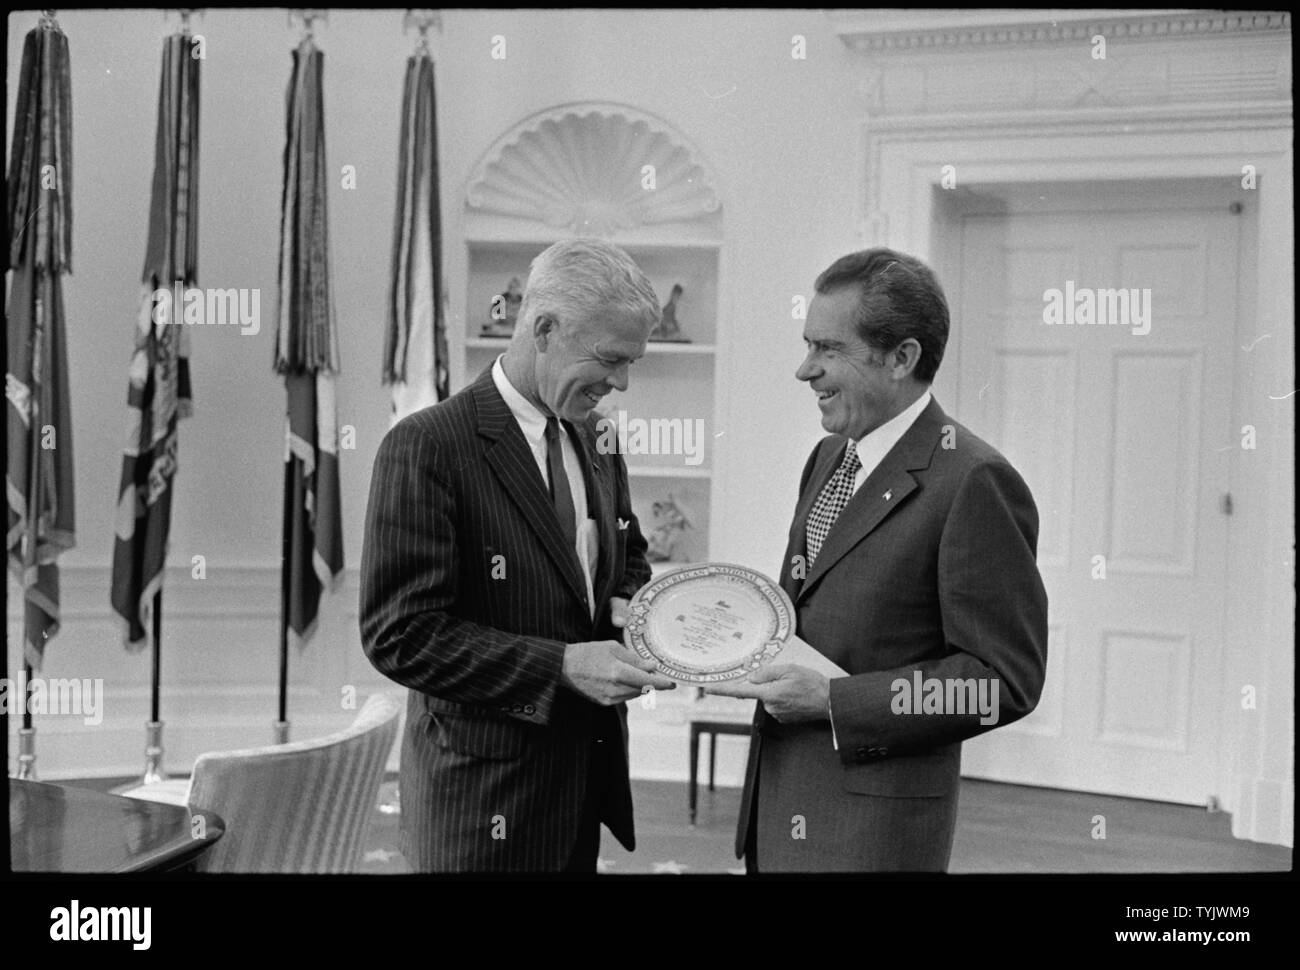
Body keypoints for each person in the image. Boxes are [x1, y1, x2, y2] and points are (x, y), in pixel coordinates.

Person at [715, 247, 1048, 871]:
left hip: (872, 836)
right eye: (808, 345)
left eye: (827, 349)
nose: (804, 370)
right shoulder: (829, 457)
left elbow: (1001, 682)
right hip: (780, 810)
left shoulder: (974, 480)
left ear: (903, 358)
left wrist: (836, 703)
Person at [360, 238, 676, 873]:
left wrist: (638, 611)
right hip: (480, 805)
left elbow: (626, 553)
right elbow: (401, 634)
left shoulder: (598, 435)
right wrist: (559, 667)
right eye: (611, 358)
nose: (619, 382)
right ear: (544, 328)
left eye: (631, 363)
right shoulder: (427, 446)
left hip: (581, 785)